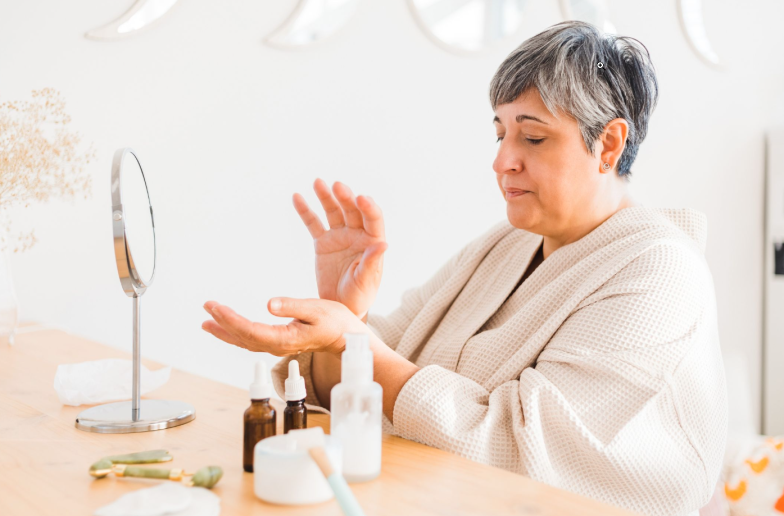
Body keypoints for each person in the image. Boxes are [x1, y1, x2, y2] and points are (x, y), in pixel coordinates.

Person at [202, 21, 727, 516]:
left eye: (533, 137)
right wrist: (343, 317)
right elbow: (389, 365)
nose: (503, 161)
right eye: (500, 133)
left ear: (608, 144)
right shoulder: (506, 245)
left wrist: (352, 341)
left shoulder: (660, 273)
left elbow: (523, 450)